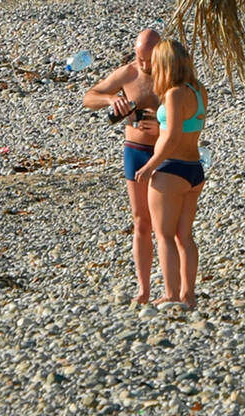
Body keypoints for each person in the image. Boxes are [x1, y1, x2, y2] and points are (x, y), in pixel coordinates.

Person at [83, 28, 161, 303]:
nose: (143, 65)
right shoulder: (128, 73)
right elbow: (89, 97)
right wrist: (111, 99)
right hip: (136, 150)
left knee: (166, 224)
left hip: (165, 152)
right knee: (141, 220)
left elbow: (193, 109)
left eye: (148, 60)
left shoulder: (172, 73)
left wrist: (163, 123)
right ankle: (143, 289)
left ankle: (176, 289)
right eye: (139, 58)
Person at [135, 39, 208, 308]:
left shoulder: (175, 93)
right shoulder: (198, 91)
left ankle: (171, 293)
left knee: (164, 235)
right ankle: (189, 295)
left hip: (172, 169)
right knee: (184, 236)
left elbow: (172, 136)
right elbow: (187, 127)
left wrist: (150, 164)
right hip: (194, 168)